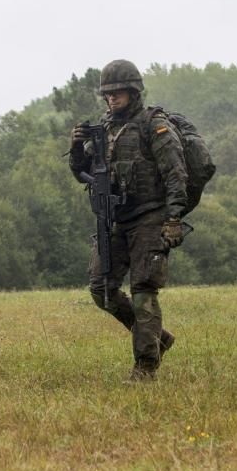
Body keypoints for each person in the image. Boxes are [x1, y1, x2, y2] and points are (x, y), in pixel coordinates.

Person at [68, 60, 188, 382]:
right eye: (107, 94)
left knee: (143, 291)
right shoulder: (104, 130)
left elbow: (176, 174)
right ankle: (157, 337)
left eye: (117, 93)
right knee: (101, 289)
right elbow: (85, 173)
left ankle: (145, 367)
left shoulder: (153, 125)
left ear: (133, 91)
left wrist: (174, 217)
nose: (111, 99)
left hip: (149, 216)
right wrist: (76, 148)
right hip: (114, 219)